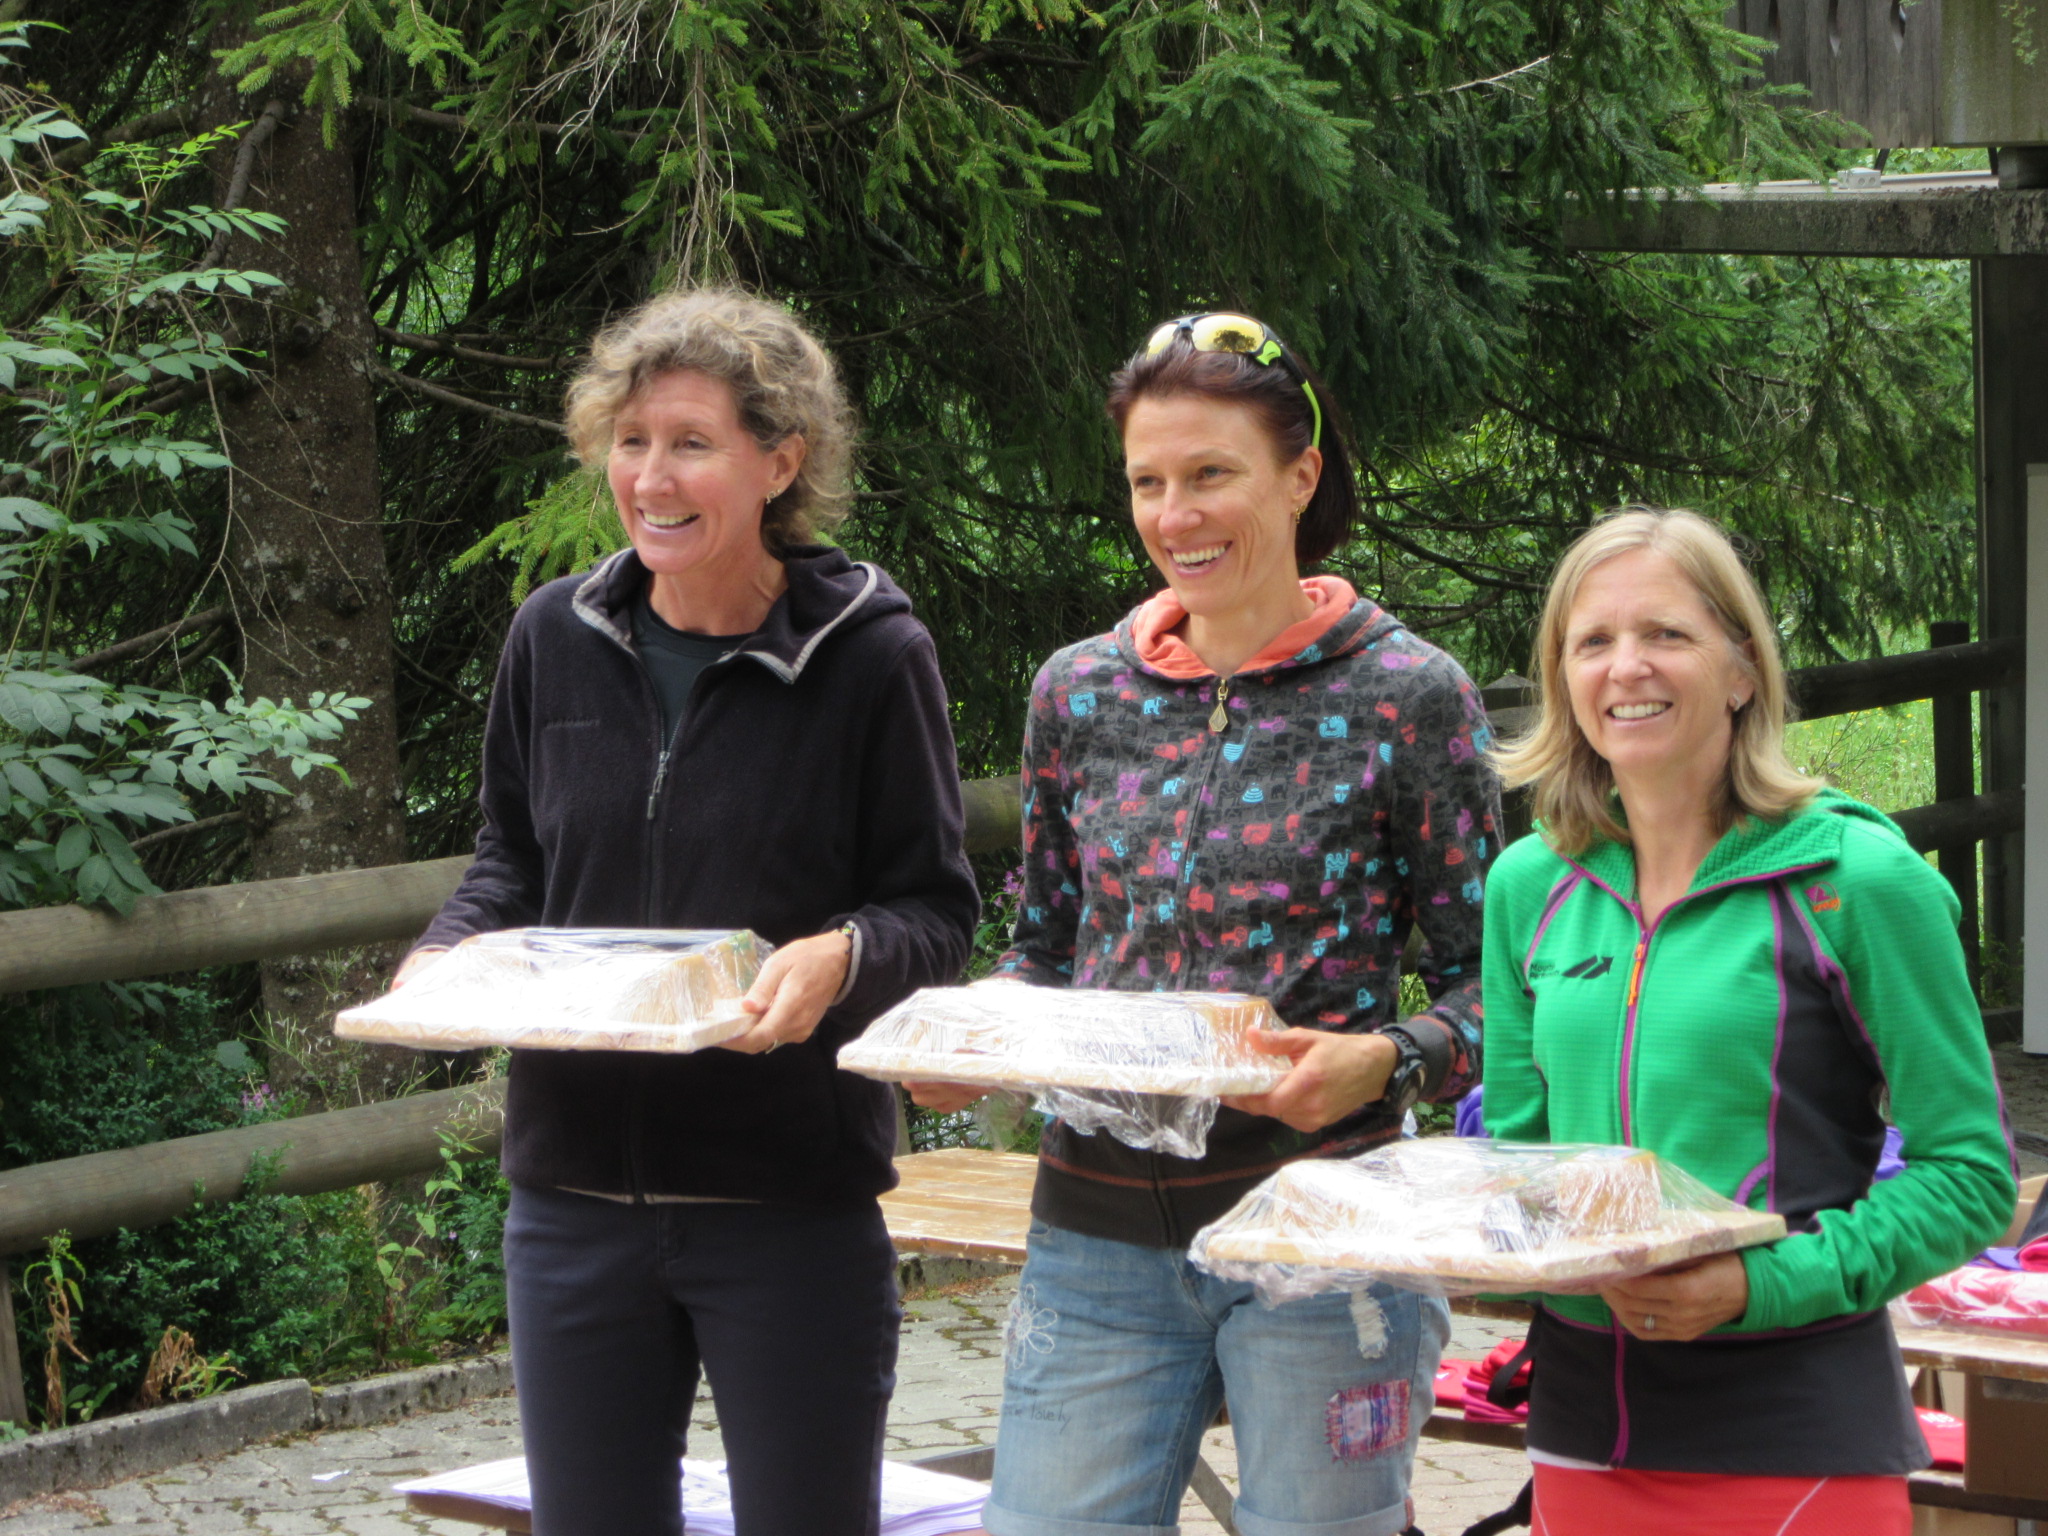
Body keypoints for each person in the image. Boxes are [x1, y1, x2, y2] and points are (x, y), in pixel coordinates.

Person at [399, 288, 980, 1536]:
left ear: (781, 462)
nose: (651, 478)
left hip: (788, 1204)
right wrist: (448, 952)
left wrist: (843, 956)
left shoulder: (872, 656)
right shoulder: (552, 636)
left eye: (691, 444)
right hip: (570, 1206)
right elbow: (512, 862)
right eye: (631, 441)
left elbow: (933, 909)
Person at [914, 312, 1501, 1536]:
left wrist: (1386, 1060)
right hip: (1094, 1237)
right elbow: (1044, 951)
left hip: (1326, 1234)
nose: (1174, 514)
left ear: (1298, 476)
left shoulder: (1408, 695)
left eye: (1209, 474)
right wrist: (979, 1038)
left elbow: (1495, 990)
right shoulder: (1076, 691)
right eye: (1148, 482)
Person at [1483, 506, 2017, 1534]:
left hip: (1794, 1433)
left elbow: (1970, 1176)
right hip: (1581, 1430)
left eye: (1666, 634)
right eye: (1592, 641)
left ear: (1739, 670)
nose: (1626, 667)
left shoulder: (1857, 881)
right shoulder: (1527, 885)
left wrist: (1753, 1283)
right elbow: (1517, 1162)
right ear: (1562, 681)